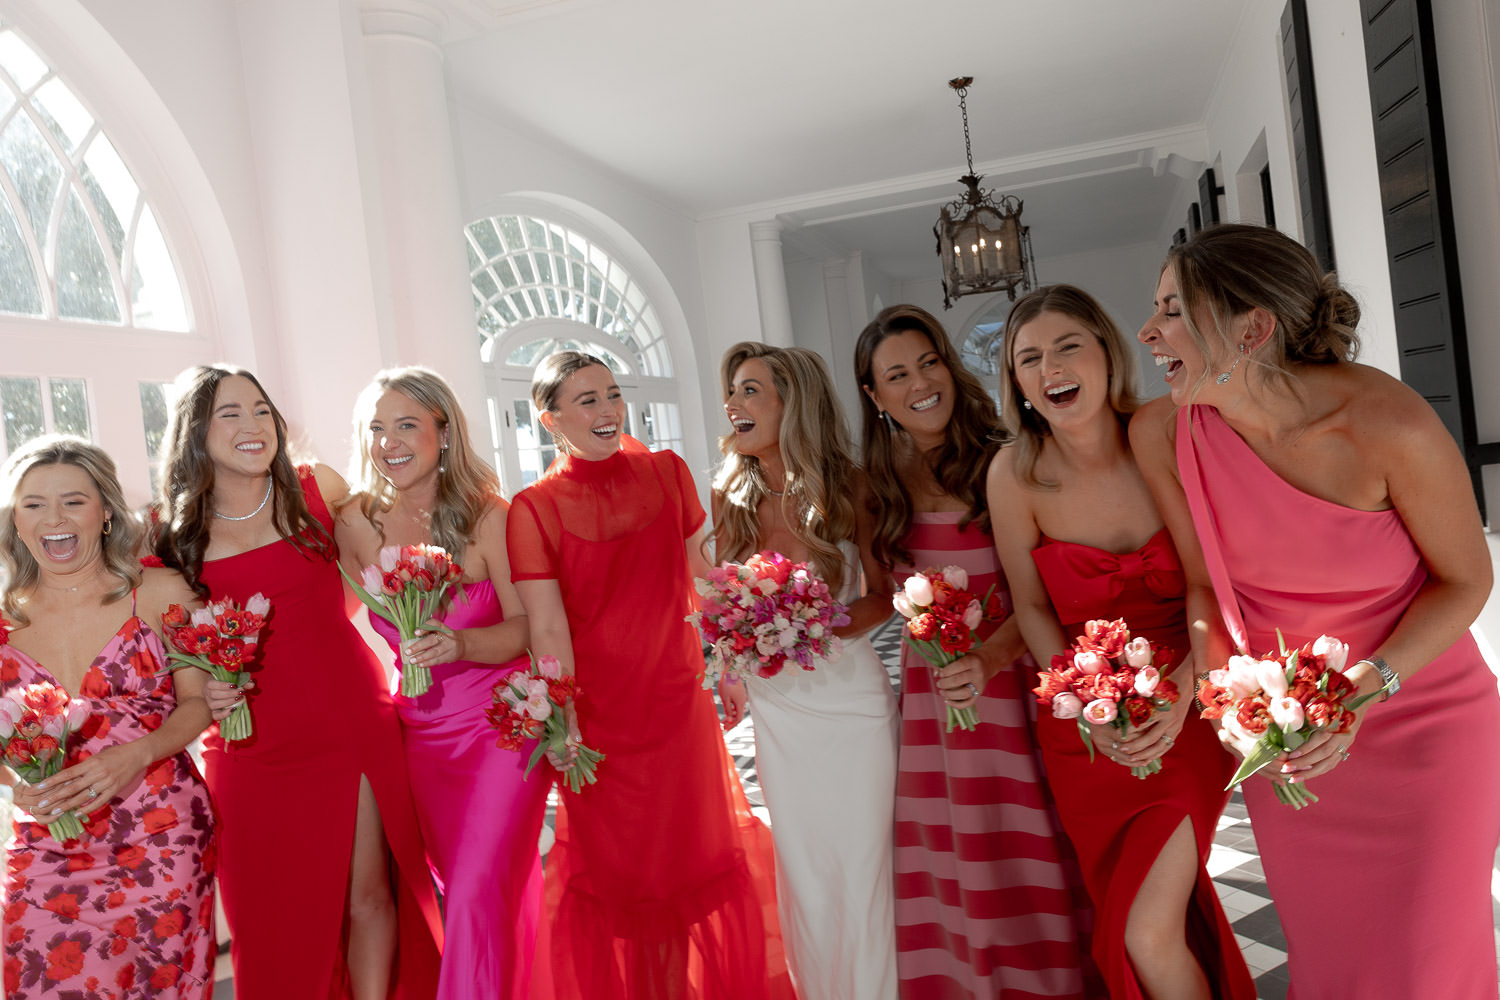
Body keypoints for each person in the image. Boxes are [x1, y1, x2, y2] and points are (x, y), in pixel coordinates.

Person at [1132, 223, 1500, 998]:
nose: (1147, 331)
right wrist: (1229, 696)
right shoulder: (1166, 433)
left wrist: (1364, 690)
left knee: (1427, 964)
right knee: (1333, 964)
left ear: (1251, 329)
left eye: (1172, 309)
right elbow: (1203, 583)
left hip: (1422, 719)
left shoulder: (1388, 425)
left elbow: (1466, 581)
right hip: (1292, 739)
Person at [987, 285, 1253, 999]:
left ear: (1107, 350)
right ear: (1016, 382)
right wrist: (1084, 706)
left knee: (1147, 930)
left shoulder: (1165, 435)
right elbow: (1034, 607)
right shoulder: (1015, 475)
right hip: (1085, 731)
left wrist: (1186, 694)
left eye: (1068, 345)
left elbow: (1207, 583)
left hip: (1186, 709)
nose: (1051, 368)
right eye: (1029, 358)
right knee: (1133, 916)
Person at [506, 350, 790, 1000]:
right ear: (549, 419)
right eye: (587, 401)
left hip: (678, 707)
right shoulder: (535, 509)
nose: (608, 411)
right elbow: (547, 628)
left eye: (611, 395)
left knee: (693, 866)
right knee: (623, 882)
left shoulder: (667, 473)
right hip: (602, 725)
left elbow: (704, 578)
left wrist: (728, 664)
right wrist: (562, 720)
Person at [150, 365, 442, 1000]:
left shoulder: (319, 491)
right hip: (252, 751)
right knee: (268, 922)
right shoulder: (171, 542)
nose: (254, 425)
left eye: (262, 410)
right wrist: (204, 691)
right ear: (196, 433)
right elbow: (171, 658)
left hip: (351, 725)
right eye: (231, 414)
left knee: (369, 896)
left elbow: (385, 561)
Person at [854, 305, 1093, 1000]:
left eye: (929, 362)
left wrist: (987, 658)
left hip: (1021, 683)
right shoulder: (878, 486)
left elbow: (1046, 593)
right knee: (961, 859)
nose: (921, 382)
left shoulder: (1011, 454)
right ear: (874, 396)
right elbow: (880, 594)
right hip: (938, 708)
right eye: (897, 374)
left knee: (1036, 849)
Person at [337, 366, 551, 1000]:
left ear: (444, 431)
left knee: (480, 892)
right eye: (377, 428)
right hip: (419, 738)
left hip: (500, 732)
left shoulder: (491, 516)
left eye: (407, 425)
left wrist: (459, 643)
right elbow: (323, 616)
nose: (389, 442)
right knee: (460, 892)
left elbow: (525, 629)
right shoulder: (356, 522)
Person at [712, 342, 900, 1000]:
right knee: (808, 875)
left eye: (750, 391)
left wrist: (816, 627)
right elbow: (719, 605)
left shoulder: (851, 487)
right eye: (731, 392)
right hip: (780, 718)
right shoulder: (729, 499)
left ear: (792, 404)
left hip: (850, 707)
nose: (732, 404)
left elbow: (883, 595)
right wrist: (734, 652)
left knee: (864, 867)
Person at [0, 436, 215, 996]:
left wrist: (137, 755)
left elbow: (197, 706)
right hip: (46, 848)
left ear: (105, 514)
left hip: (160, 838)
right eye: (33, 504)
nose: (54, 518)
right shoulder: (2, 622)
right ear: (15, 521)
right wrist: (12, 786)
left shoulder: (159, 593)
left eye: (73, 500)